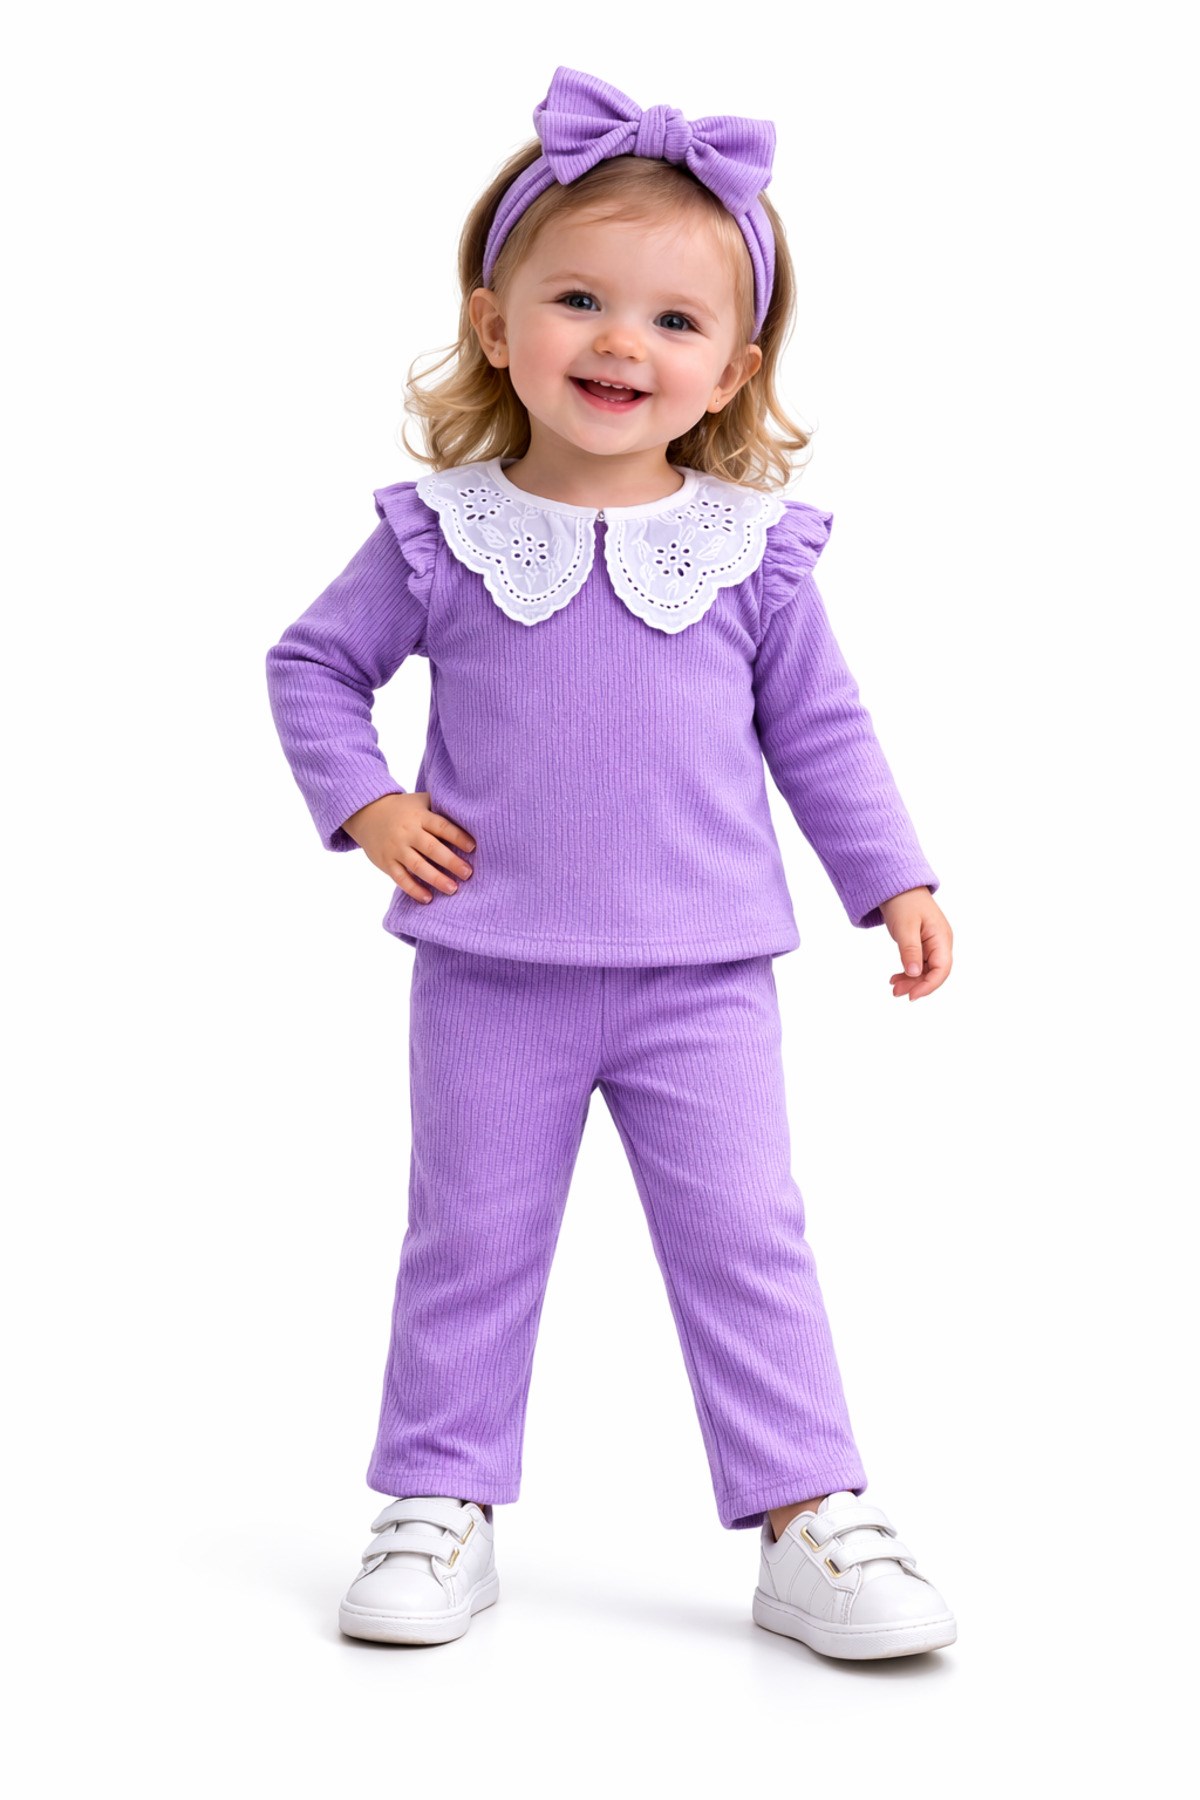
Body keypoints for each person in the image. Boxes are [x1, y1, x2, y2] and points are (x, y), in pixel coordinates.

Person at [265, 65, 957, 1661]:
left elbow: (824, 733)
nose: (620, 342)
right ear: (496, 323)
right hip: (489, 970)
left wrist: (895, 881)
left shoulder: (753, 554)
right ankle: (438, 1501)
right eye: (579, 299)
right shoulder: (438, 532)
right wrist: (368, 805)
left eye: (673, 319)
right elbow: (312, 666)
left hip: (702, 979)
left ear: (732, 370)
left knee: (747, 1243)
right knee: (470, 1242)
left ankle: (808, 1516)